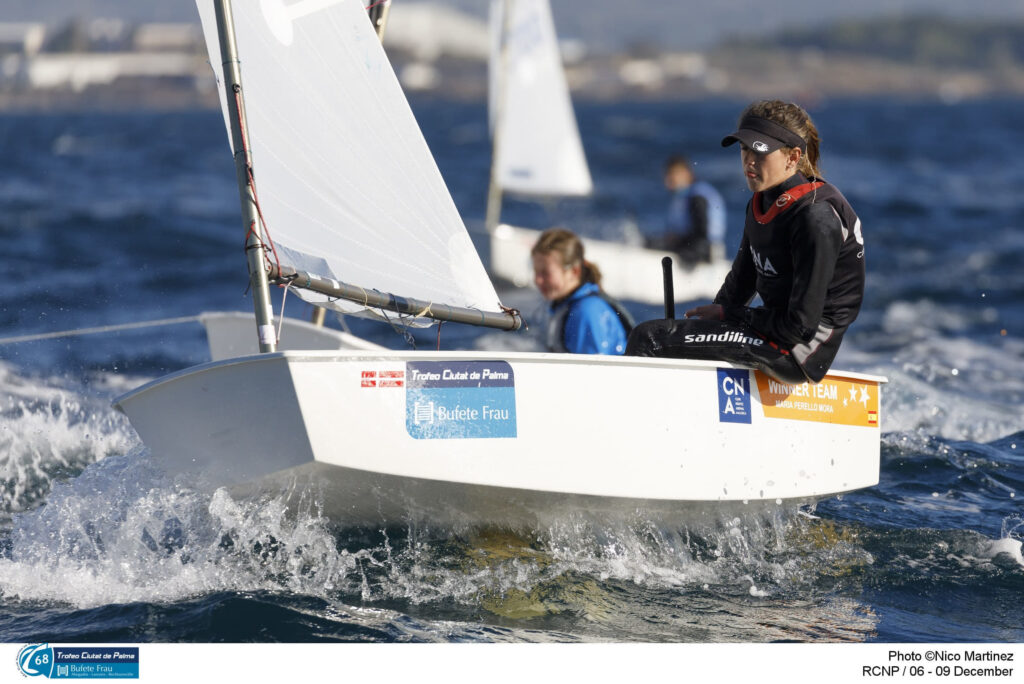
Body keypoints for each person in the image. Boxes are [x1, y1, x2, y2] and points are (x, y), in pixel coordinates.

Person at [627, 100, 865, 384]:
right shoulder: (762, 202)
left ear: (793, 157)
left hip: (800, 352)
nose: (749, 161)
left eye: (760, 151)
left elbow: (799, 328)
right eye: (744, 149)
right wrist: (697, 327)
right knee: (669, 334)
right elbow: (740, 284)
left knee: (648, 339)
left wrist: (732, 315)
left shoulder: (815, 217)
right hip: (772, 330)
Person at [531, 228, 634, 355]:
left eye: (546, 273)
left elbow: (593, 370)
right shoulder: (561, 306)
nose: (537, 280)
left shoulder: (586, 311)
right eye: (536, 271)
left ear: (574, 271)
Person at [647, 155, 727, 265]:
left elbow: (701, 233)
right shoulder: (684, 196)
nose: (669, 179)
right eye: (667, 175)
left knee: (653, 244)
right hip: (692, 244)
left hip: (705, 251)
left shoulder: (698, 195)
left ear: (687, 174)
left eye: (673, 174)